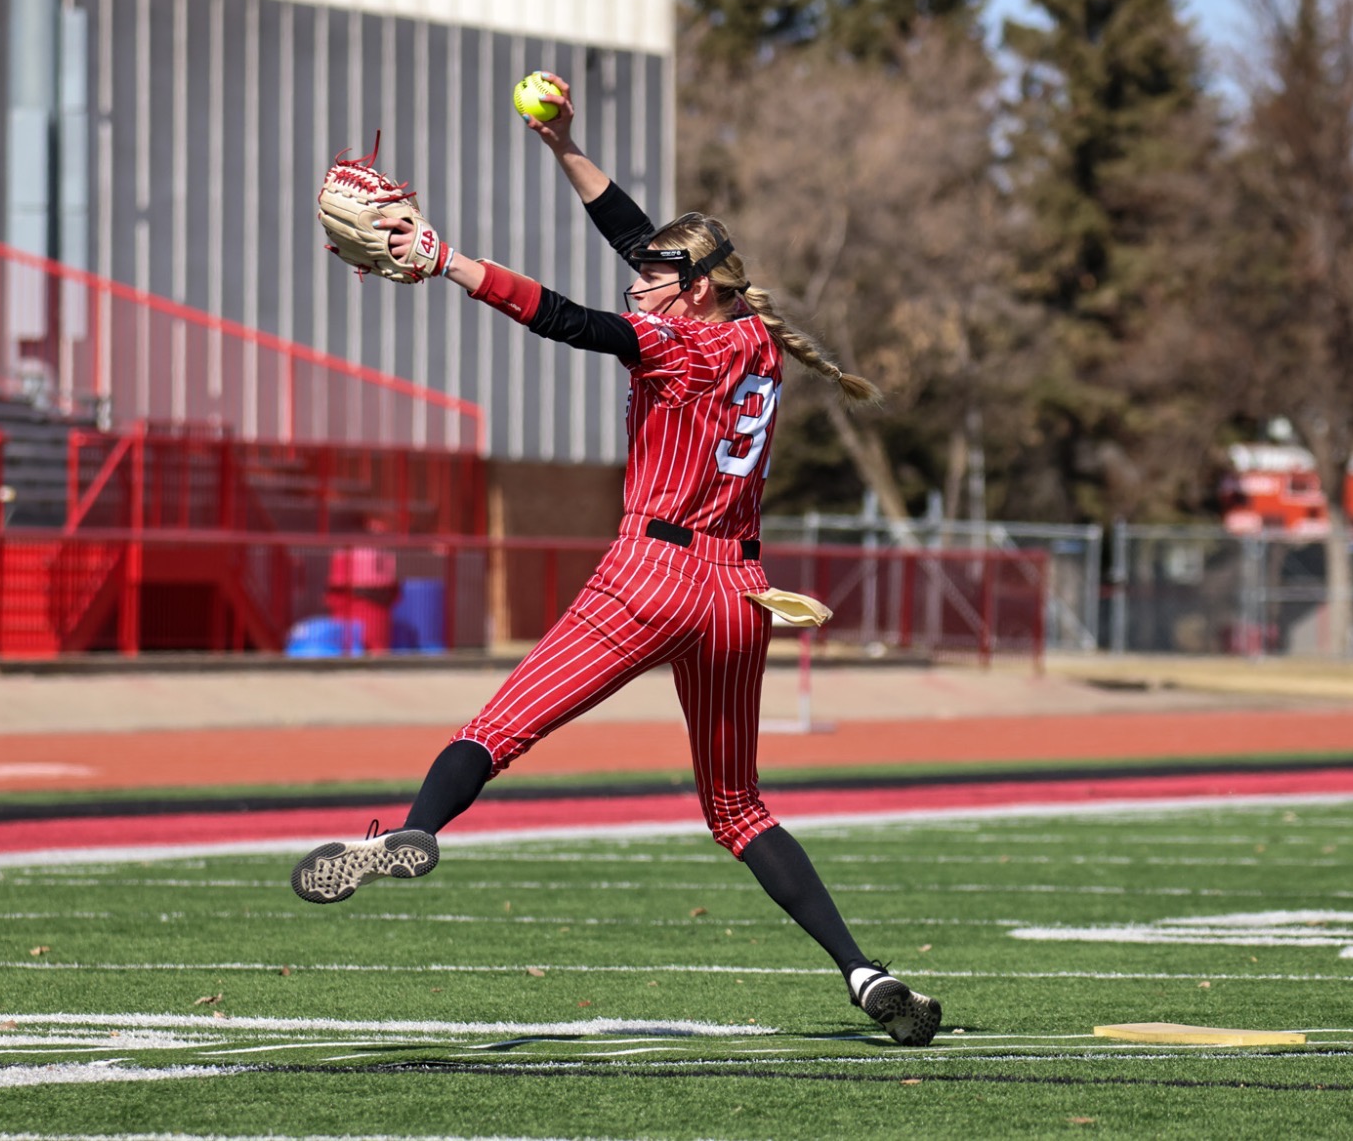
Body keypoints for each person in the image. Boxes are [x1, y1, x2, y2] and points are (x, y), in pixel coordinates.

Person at [292, 74, 942, 1047]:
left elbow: (565, 319)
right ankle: (864, 971)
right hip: (740, 594)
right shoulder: (755, 342)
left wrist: (447, 259)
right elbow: (636, 235)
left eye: (656, 275)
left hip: (651, 577)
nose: (637, 278)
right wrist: (563, 144)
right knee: (737, 808)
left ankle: (415, 830)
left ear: (697, 288)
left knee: (497, 728)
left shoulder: (677, 348)